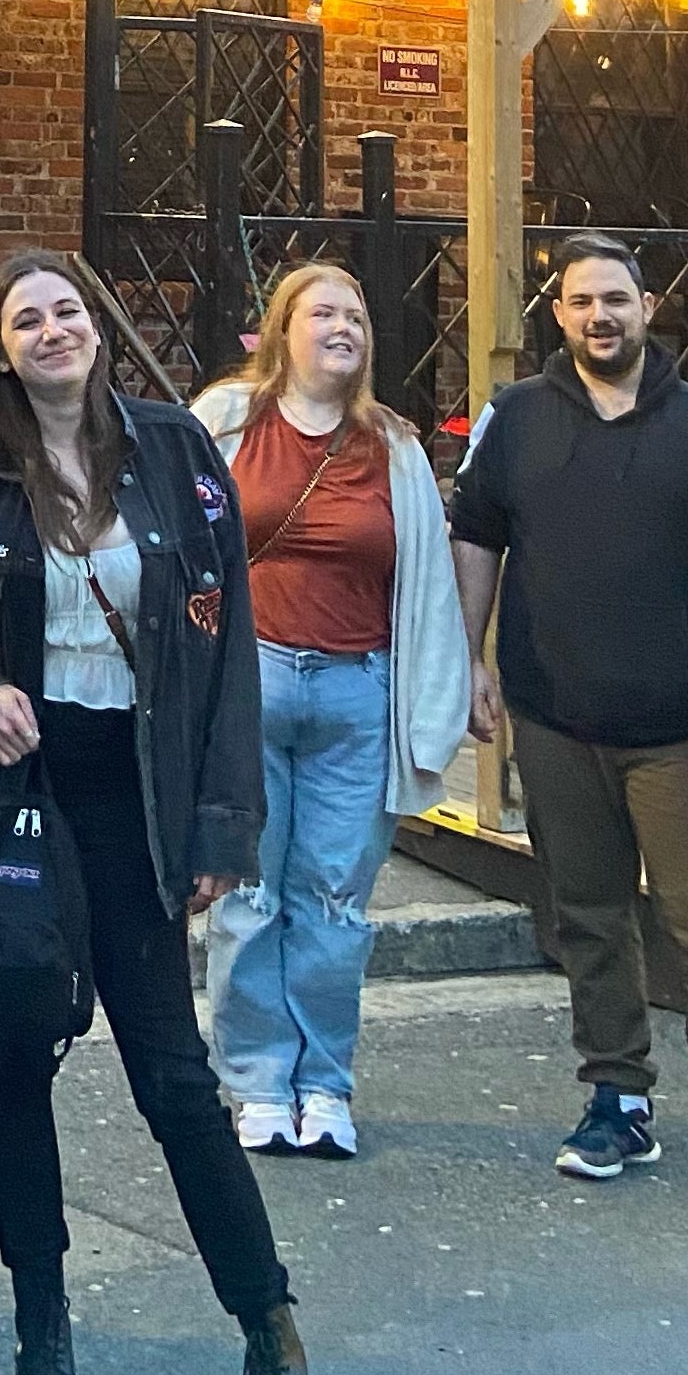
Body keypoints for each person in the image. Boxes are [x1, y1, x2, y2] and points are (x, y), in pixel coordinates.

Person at [0, 253, 314, 1375]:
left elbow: (227, 637)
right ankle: (43, 1335)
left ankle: (273, 1346)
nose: (51, 330)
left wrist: (220, 825)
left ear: (97, 330)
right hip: (21, 798)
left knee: (176, 1083)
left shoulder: (172, 448)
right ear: (0, 347)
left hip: (136, 797)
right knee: (12, 1062)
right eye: (25, 317)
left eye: (67, 311)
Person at [448, 234, 688, 1199]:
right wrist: (473, 659)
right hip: (556, 718)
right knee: (589, 920)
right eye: (581, 301)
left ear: (648, 309)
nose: (601, 316)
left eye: (618, 300)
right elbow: (476, 535)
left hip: (677, 725)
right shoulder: (514, 418)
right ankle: (617, 1099)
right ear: (556, 315)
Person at [191, 260, 471, 1160]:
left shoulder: (391, 442)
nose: (343, 326)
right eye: (323, 312)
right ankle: (257, 1082)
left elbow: (423, 578)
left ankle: (325, 1083)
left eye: (355, 314)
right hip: (250, 688)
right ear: (284, 329)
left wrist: (446, 687)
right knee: (247, 895)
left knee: (334, 900)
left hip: (357, 693)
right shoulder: (225, 421)